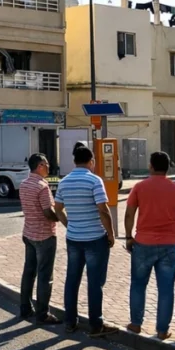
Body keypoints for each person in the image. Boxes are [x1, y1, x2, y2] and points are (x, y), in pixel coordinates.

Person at [124, 152, 175, 339]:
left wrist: (129, 237)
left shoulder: (139, 187)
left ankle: (136, 324)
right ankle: (162, 330)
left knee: (138, 285)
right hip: (170, 245)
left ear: (151, 166)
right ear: (167, 168)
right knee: (166, 288)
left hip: (143, 243)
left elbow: (129, 214)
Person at [54, 144, 118, 336]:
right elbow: (104, 211)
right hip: (94, 239)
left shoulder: (64, 182)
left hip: (73, 238)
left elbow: (58, 209)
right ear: (91, 162)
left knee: (72, 280)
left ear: (74, 162)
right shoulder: (94, 180)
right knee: (95, 282)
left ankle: (70, 322)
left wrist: (69, 224)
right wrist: (111, 233)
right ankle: (96, 325)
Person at [19, 153, 65, 324]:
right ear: (39, 166)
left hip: (28, 233)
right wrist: (60, 216)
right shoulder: (42, 187)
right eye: (46, 164)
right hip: (44, 236)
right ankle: (43, 313)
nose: (48, 167)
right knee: (45, 276)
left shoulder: (24, 184)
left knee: (28, 272)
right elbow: (48, 212)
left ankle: (25, 308)